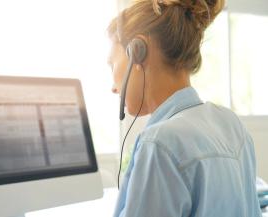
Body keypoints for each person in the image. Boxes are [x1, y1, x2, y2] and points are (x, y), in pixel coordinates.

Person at [106, 0, 262, 216]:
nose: (114, 87)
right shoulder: (232, 124)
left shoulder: (160, 144)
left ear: (138, 51)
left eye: (112, 64)